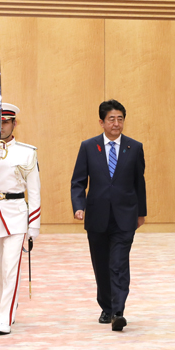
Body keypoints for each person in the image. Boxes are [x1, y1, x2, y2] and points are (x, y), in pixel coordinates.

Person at [71, 100, 146, 332]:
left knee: (119, 264)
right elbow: (78, 181)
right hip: (97, 216)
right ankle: (106, 306)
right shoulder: (89, 146)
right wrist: (78, 205)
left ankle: (118, 310)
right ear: (102, 122)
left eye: (120, 118)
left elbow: (138, 182)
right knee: (102, 264)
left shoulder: (134, 147)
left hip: (125, 216)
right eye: (111, 119)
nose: (116, 123)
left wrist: (141, 212)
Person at [0, 103, 40, 335]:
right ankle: (10, 300)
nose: (0, 127)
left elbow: (33, 191)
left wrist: (34, 224)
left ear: (14, 124)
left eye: (5, 122)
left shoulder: (27, 152)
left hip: (16, 215)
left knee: (11, 268)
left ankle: (5, 317)